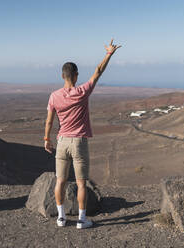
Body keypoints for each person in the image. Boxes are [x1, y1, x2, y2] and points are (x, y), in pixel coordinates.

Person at [44, 39, 121, 229]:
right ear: (76, 76)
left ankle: (61, 218)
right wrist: (109, 54)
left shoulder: (54, 96)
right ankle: (81, 219)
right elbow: (98, 71)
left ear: (62, 76)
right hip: (79, 142)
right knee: (81, 183)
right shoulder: (83, 91)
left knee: (60, 181)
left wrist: (46, 139)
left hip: (61, 142)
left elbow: (49, 121)